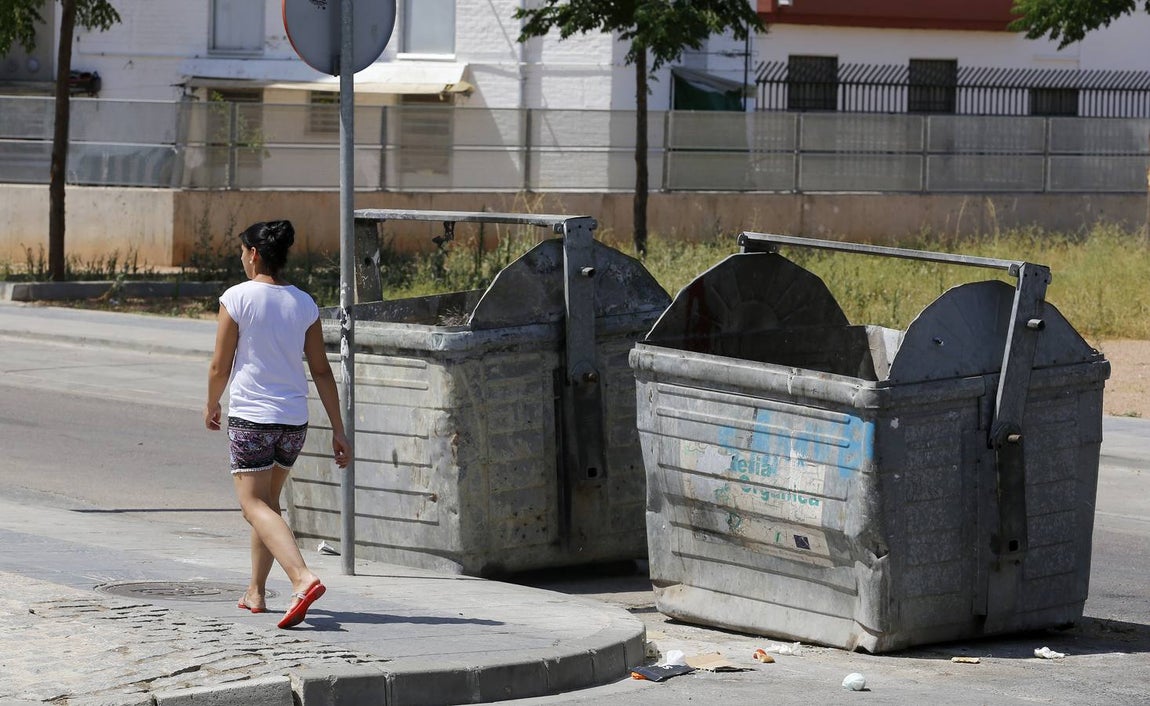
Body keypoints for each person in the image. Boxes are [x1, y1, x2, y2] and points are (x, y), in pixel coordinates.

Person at [204, 219, 351, 630]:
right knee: (268, 505)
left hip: (252, 417)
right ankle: (255, 591)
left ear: (254, 254)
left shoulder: (237, 298)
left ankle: (302, 578)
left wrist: (212, 402)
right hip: (293, 422)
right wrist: (339, 430)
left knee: (252, 506)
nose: (241, 258)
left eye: (241, 251)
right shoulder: (303, 302)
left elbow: (220, 363)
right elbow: (322, 371)